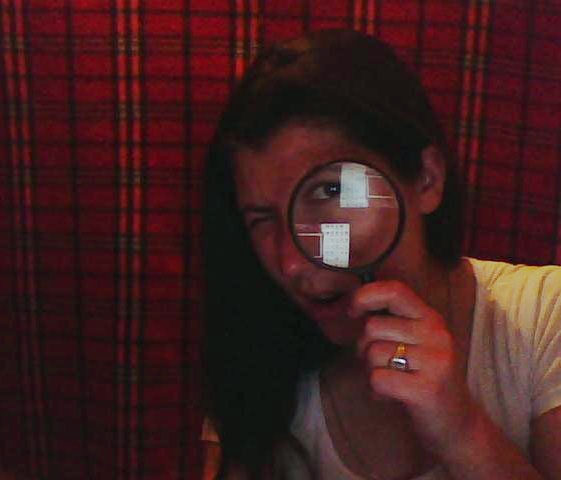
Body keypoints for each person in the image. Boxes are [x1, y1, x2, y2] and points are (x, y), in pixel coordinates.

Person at [201, 29, 561, 479]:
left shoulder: (545, 315)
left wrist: (462, 430)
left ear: (426, 179)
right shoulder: (261, 362)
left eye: (330, 192)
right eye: (261, 218)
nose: (291, 262)